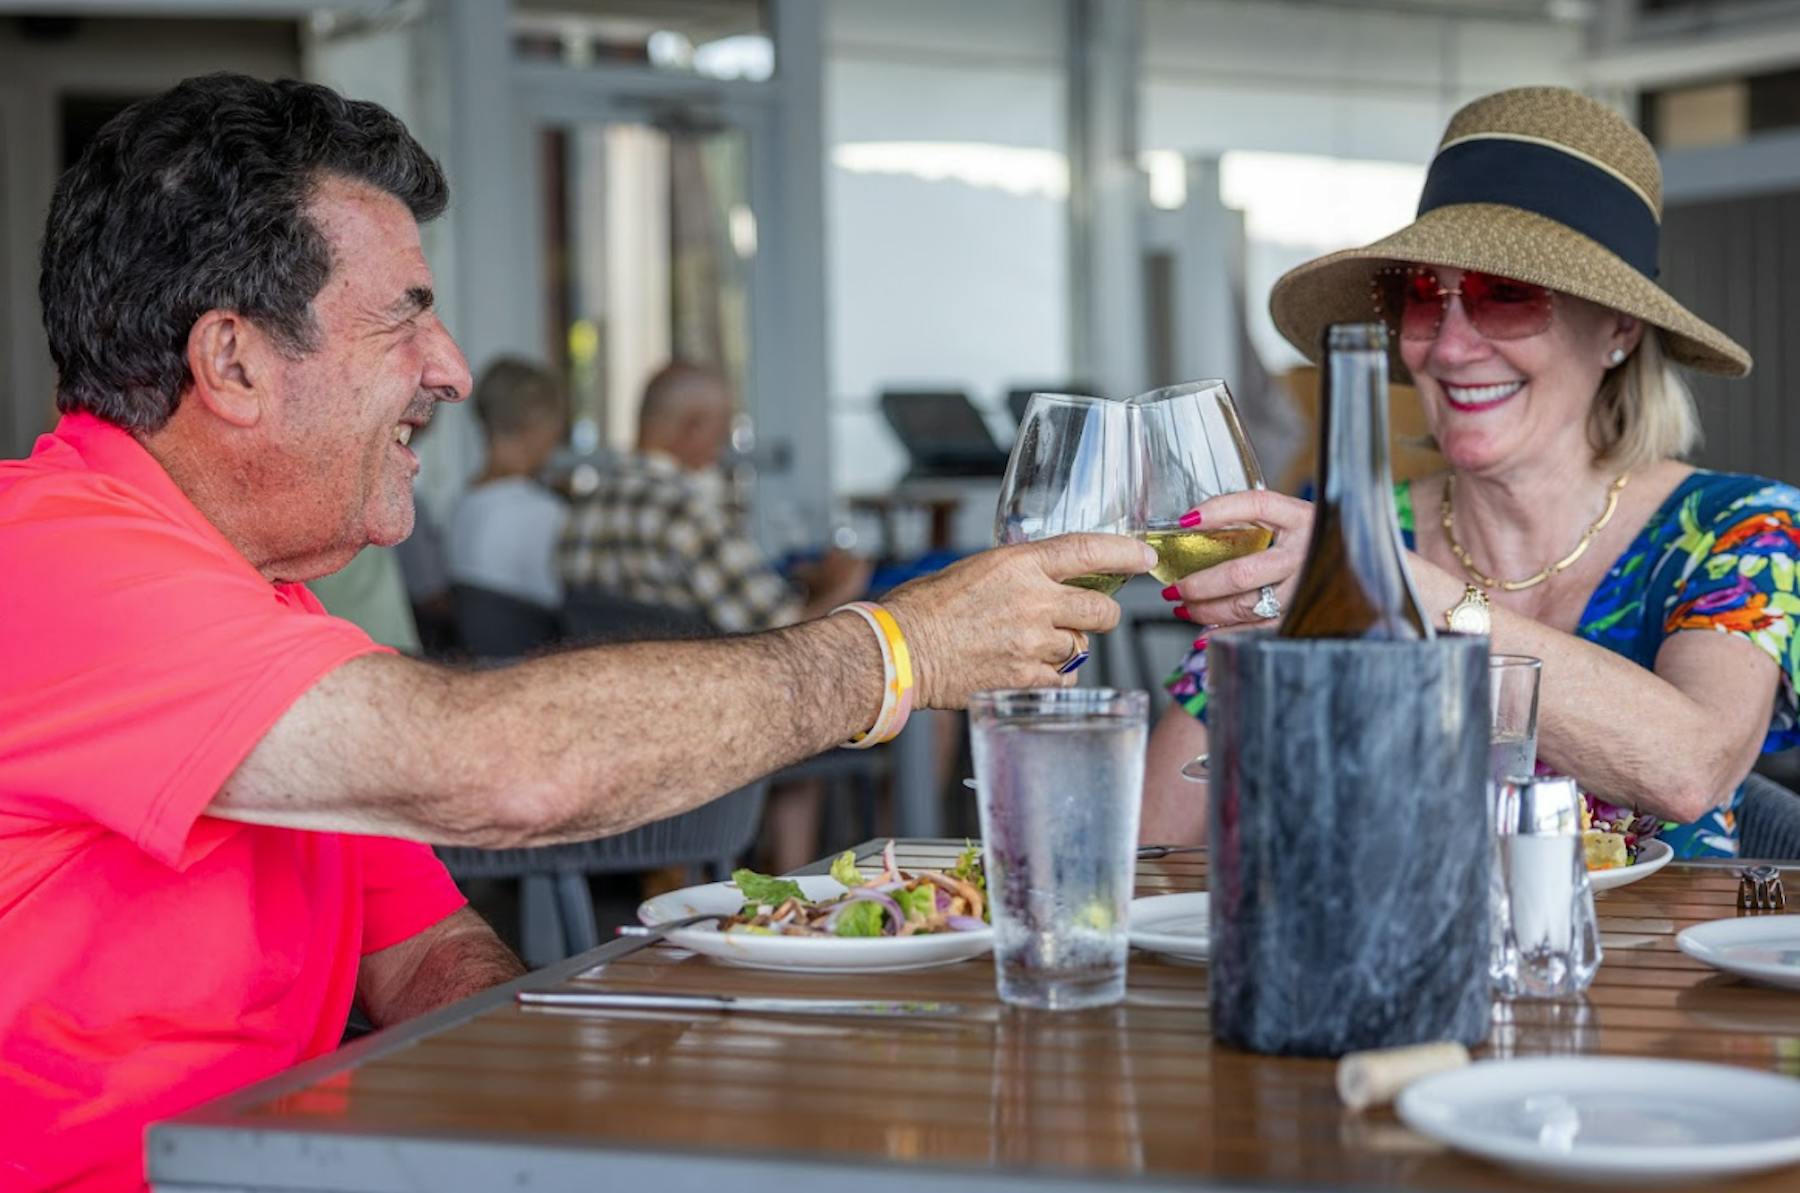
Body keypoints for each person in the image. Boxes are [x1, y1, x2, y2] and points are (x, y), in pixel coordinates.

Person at [0, 73, 1151, 1192]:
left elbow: (424, 957)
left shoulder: (267, 605)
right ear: (234, 361)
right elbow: (498, 768)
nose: (448, 369)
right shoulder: (47, 558)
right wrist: (897, 647)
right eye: (405, 319)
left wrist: (604, 1092)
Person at [1143, 86, 1799, 861]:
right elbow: (1150, 846)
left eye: (1507, 296)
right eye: (1423, 296)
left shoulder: (1739, 528)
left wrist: (1384, 581)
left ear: (1619, 329)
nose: (1449, 348)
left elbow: (1690, 769)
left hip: (1661, 979)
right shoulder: (1338, 527)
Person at [559, 361, 871, 633]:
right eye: (720, 433)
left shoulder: (578, 513)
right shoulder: (687, 514)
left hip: (614, 693)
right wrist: (846, 585)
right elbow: (780, 636)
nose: (722, 451)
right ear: (692, 428)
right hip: (701, 691)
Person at [447, 356, 570, 612]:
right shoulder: (545, 514)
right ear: (538, 422)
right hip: (539, 650)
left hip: (475, 651)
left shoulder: (461, 506)